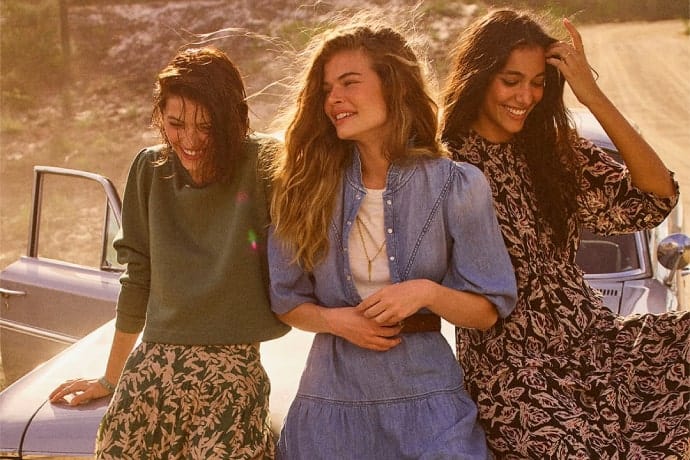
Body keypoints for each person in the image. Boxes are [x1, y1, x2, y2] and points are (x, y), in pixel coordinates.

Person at [440, 8, 690, 459]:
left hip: (596, 345)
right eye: (511, 80)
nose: (526, 96)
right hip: (513, 372)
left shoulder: (551, 151)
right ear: (479, 77)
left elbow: (656, 199)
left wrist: (591, 95)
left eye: (538, 82)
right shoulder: (443, 165)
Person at [268, 21, 517, 459]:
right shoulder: (303, 188)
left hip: (430, 401)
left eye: (349, 82)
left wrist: (425, 292)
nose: (334, 99)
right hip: (331, 404)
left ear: (393, 85)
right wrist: (336, 321)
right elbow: (286, 300)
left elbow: (485, 312)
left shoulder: (455, 184)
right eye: (327, 89)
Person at [49, 46, 290, 459]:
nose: (190, 140)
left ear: (232, 120)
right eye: (176, 124)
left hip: (232, 376)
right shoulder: (149, 168)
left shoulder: (264, 161)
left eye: (206, 126)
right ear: (160, 115)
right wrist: (110, 379)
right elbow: (137, 279)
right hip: (151, 371)